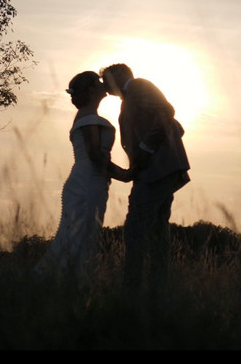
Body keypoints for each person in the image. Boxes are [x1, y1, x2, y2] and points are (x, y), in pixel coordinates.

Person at [100, 63, 190, 296]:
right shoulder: (130, 96)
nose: (104, 87)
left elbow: (168, 112)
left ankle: (132, 290)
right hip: (158, 169)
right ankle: (156, 291)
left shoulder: (139, 86)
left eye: (106, 80)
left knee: (136, 227)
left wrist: (146, 149)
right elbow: (175, 127)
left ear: (118, 76)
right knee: (158, 229)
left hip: (156, 170)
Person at [34, 71, 131, 283]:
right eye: (98, 82)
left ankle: (68, 281)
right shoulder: (89, 119)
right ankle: (70, 282)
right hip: (87, 182)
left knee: (82, 232)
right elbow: (95, 155)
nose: (102, 85)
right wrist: (125, 175)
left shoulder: (86, 116)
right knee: (81, 233)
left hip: (88, 181)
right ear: (91, 90)